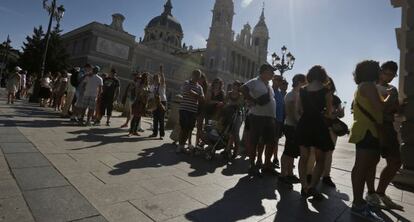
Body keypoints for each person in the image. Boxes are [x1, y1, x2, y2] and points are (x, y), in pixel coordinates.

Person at [349, 60, 386, 222]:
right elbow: (379, 108)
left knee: (368, 164)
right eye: (378, 70)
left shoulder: (364, 86)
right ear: (372, 71)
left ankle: (361, 201)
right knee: (362, 166)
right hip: (368, 130)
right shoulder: (369, 86)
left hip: (367, 130)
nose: (381, 72)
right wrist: (390, 98)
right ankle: (357, 204)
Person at [364, 61, 403, 210]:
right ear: (381, 71)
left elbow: (394, 109)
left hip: (388, 127)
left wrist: (396, 107)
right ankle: (371, 192)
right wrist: (388, 106)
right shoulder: (369, 86)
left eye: (393, 75)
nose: (391, 77)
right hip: (372, 125)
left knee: (395, 161)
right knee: (372, 160)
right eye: (388, 73)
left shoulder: (392, 89)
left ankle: (381, 192)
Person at [296, 65, 334, 199]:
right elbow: (329, 113)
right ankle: (312, 187)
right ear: (323, 76)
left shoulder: (302, 90)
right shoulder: (327, 91)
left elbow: (299, 110)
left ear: (310, 75)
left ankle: (303, 187)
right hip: (319, 124)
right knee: (320, 159)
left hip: (305, 123)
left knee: (304, 157)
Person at [241, 64, 277, 176]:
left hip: (269, 117)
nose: (273, 74)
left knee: (268, 141)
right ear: (264, 72)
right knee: (255, 141)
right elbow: (243, 88)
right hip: (257, 116)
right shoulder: (255, 81)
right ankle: (252, 165)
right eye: (271, 71)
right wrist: (253, 100)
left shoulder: (269, 86)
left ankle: (263, 163)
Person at [279, 74, 307, 185]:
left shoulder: (298, 94)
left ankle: (290, 173)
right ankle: (282, 175)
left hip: (295, 126)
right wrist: (297, 124)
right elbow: (290, 112)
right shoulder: (291, 95)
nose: (306, 83)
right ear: (299, 82)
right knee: (288, 151)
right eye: (304, 81)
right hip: (291, 126)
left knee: (292, 152)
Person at [176, 69, 204, 153]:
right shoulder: (186, 83)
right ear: (192, 75)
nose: (196, 77)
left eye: (198, 76)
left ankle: (182, 145)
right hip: (184, 109)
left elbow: (203, 98)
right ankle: (180, 145)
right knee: (184, 127)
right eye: (195, 75)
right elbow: (187, 91)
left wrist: (194, 94)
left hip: (193, 110)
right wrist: (197, 95)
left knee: (188, 129)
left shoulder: (199, 87)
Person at [224, 80, 244, 159]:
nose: (235, 87)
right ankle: (227, 149)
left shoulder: (241, 95)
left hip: (237, 115)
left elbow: (239, 104)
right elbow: (225, 101)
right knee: (228, 132)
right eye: (234, 86)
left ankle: (236, 151)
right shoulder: (229, 93)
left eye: (237, 86)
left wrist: (230, 104)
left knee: (235, 133)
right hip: (228, 114)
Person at [149, 66, 167, 139]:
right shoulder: (153, 86)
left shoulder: (162, 85)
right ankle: (154, 133)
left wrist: (161, 72)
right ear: (153, 79)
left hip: (162, 102)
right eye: (155, 78)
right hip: (155, 102)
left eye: (158, 78)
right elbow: (150, 93)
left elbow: (163, 80)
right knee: (155, 118)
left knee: (161, 119)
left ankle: (161, 135)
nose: (157, 79)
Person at [272, 75, 285, 168]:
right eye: (278, 80)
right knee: (267, 141)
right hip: (271, 119)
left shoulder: (280, 93)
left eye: (281, 81)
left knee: (275, 140)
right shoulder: (270, 90)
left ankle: (275, 158)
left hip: (279, 121)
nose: (280, 82)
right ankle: (261, 160)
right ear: (273, 81)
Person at [195, 74, 209, 147]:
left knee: (199, 127)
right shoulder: (195, 85)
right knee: (192, 126)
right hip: (195, 107)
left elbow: (205, 99)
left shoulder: (206, 88)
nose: (199, 80)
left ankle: (198, 143)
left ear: (203, 80)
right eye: (199, 78)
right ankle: (191, 142)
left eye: (201, 79)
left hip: (202, 108)